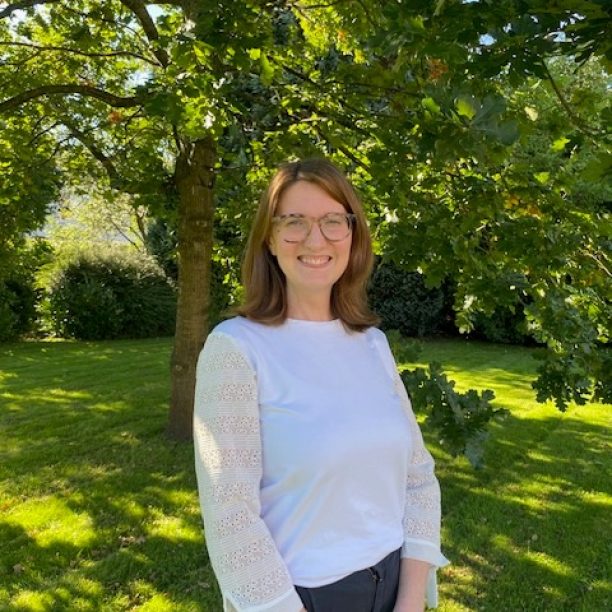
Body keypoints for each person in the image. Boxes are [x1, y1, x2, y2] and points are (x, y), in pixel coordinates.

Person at [193, 158, 449, 612]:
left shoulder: (372, 343)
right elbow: (230, 516)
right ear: (270, 239)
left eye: (333, 221)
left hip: (395, 585)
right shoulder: (236, 349)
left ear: (353, 234)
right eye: (294, 222)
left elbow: (418, 478)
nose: (315, 239)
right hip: (301, 597)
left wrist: (410, 600)